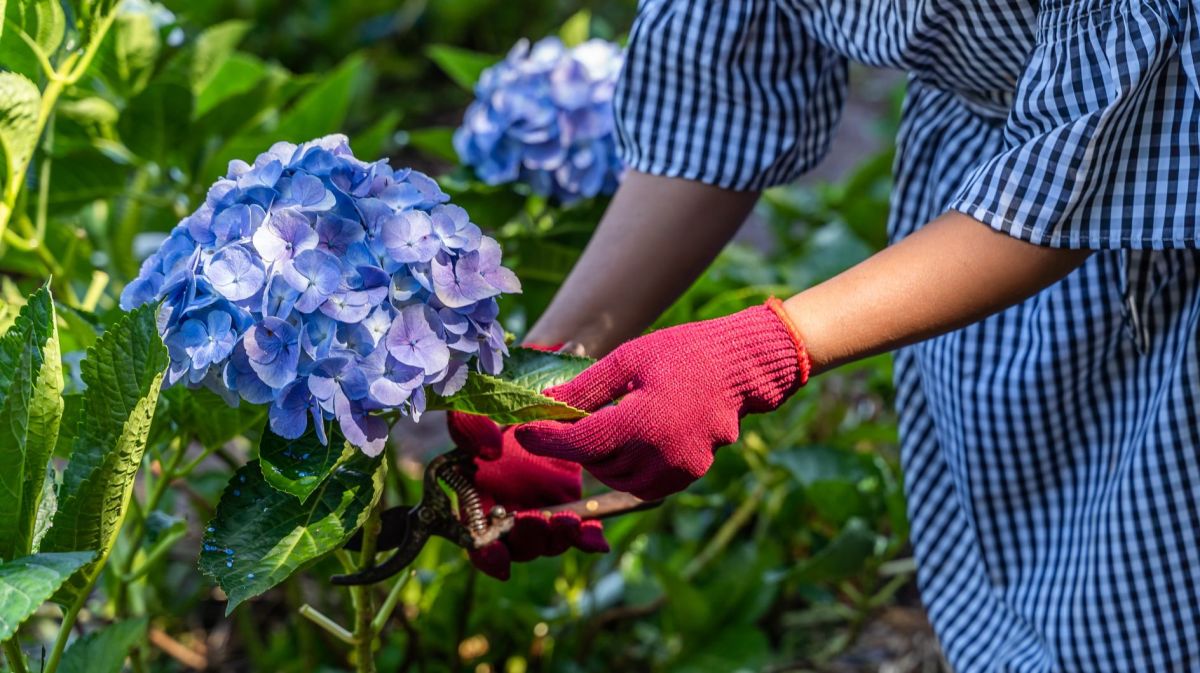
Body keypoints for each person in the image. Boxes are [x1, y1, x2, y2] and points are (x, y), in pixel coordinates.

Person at [449, 1, 1200, 670]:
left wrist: (764, 349)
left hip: (1141, 218)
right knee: (1029, 590)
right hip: (972, 228)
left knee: (1140, 597)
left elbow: (1114, 140)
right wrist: (551, 373)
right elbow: (720, 92)